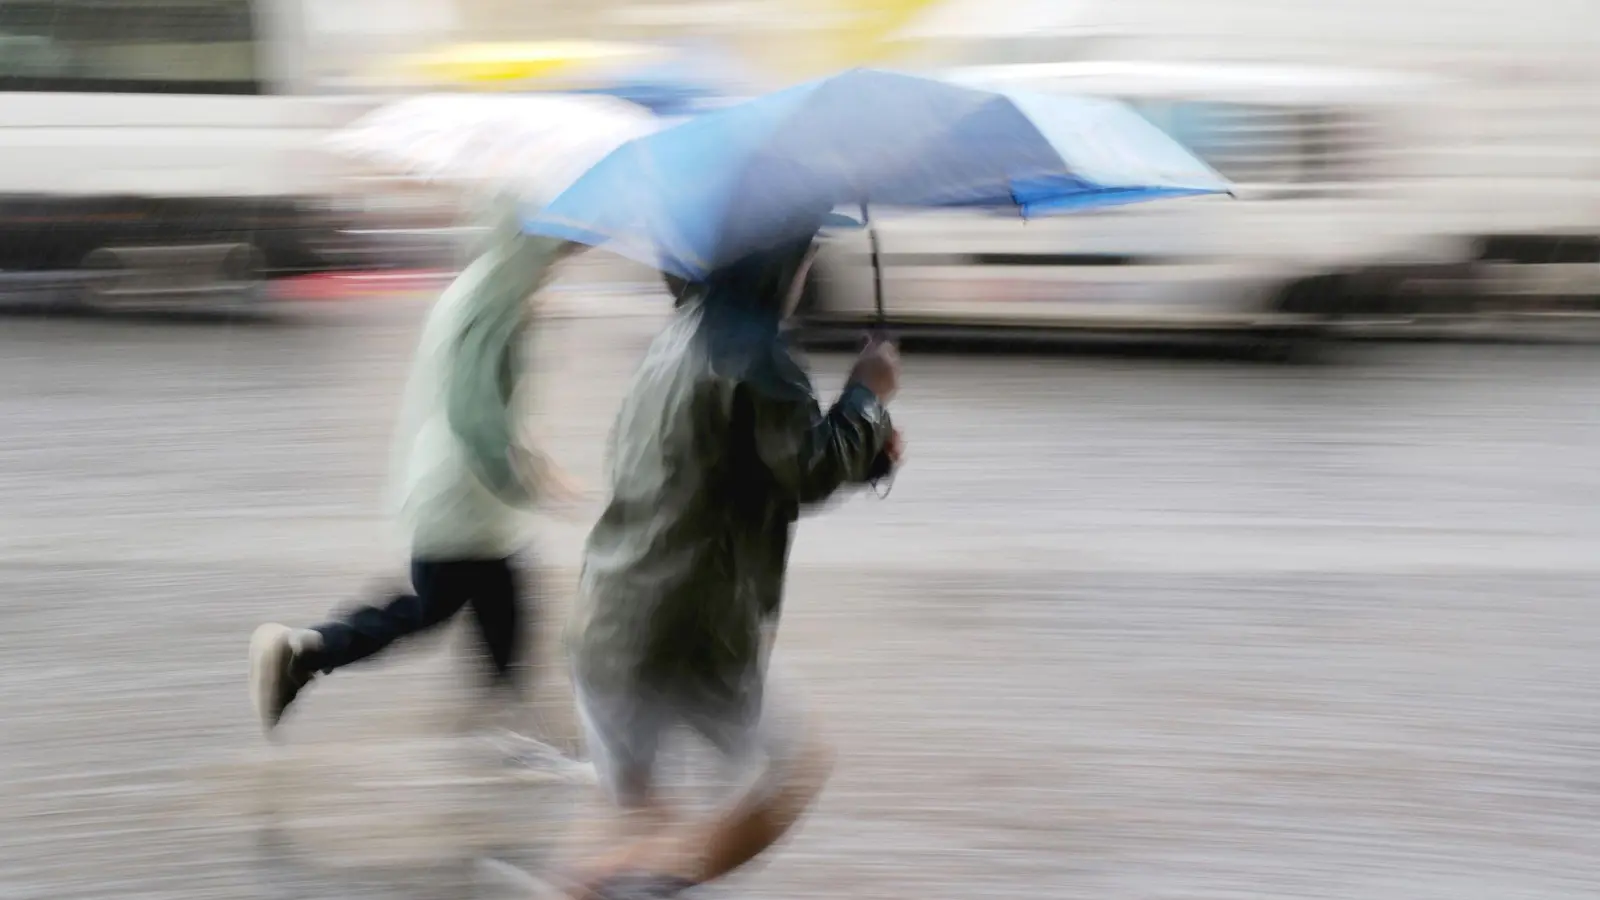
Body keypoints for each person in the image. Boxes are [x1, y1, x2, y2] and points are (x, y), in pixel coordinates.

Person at [558, 223, 903, 899]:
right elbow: (802, 470)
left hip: (608, 620)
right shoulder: (753, 354)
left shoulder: (676, 338)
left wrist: (864, 448)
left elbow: (742, 469)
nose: (806, 271)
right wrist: (868, 393)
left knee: (632, 815)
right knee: (795, 769)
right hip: (685, 629)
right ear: (773, 261)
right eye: (804, 254)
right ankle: (640, 888)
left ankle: (597, 886)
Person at [248, 190, 589, 776]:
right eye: (560, 241)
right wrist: (530, 477)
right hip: (464, 492)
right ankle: (305, 650)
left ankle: (511, 725)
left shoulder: (490, 286)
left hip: (461, 492)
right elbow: (478, 414)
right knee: (434, 606)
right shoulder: (497, 303)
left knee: (499, 599)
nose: (567, 252)